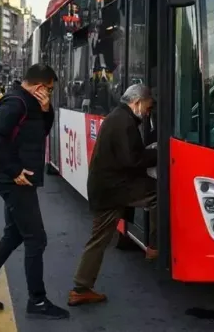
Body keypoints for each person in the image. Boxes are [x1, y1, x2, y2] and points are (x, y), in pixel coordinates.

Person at [0, 64, 69, 320]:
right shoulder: (16, 104)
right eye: (50, 90)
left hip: (20, 179)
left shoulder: (30, 104)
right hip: (15, 181)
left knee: (14, 235)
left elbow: (38, 133)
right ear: (40, 87)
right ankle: (38, 301)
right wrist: (13, 171)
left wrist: (46, 110)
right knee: (36, 238)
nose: (51, 94)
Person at [67, 84, 158, 307]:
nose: (148, 111)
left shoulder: (119, 117)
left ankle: (81, 286)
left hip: (108, 188)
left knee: (99, 238)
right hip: (115, 190)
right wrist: (157, 152)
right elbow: (132, 160)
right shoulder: (124, 122)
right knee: (159, 194)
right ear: (137, 102)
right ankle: (154, 246)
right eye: (148, 106)